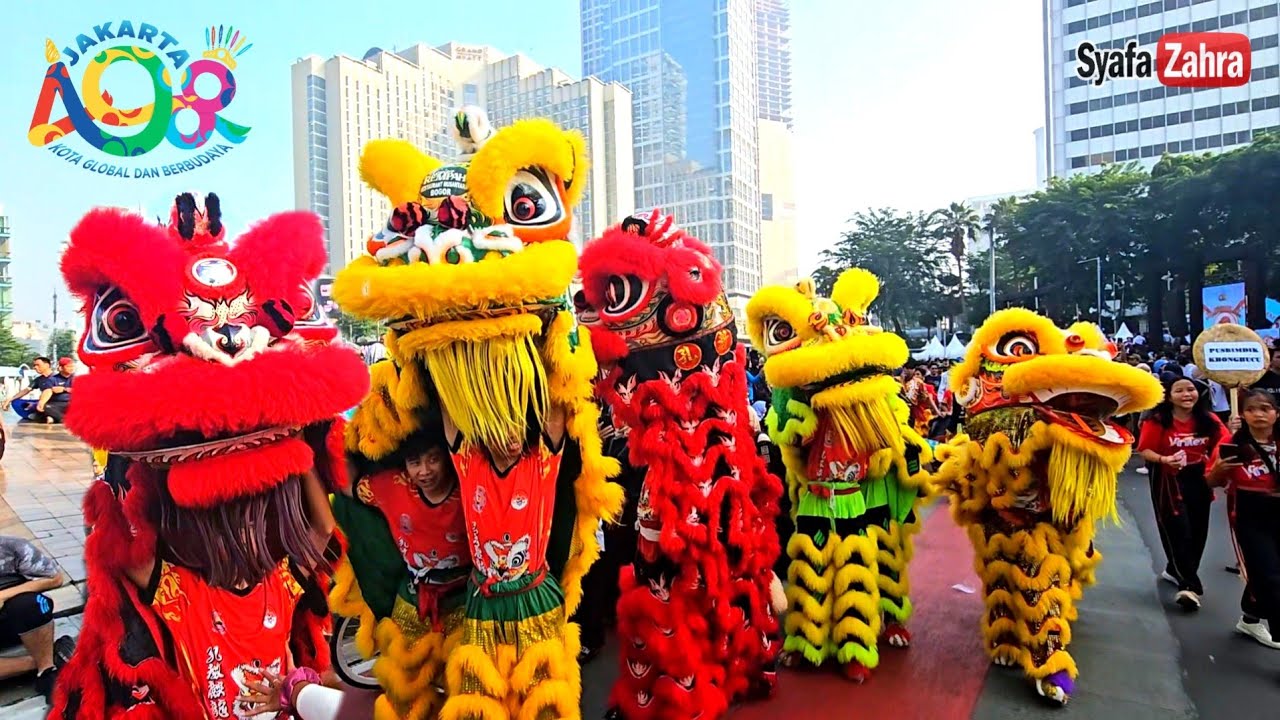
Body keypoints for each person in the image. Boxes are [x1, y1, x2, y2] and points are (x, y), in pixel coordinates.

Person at [341, 431, 470, 642]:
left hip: (465, 599)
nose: (424, 471)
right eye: (415, 462)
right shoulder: (393, 486)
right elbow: (350, 487)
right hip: (414, 599)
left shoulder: (468, 485)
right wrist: (335, 438)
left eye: (433, 459)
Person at [1138, 376, 1230, 610]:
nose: (1187, 394)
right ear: (1168, 396)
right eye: (1179, 391)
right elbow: (1145, 450)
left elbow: (1225, 443)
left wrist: (1236, 432)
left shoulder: (1208, 419)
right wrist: (1164, 459)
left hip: (1199, 477)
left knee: (1198, 530)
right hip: (1166, 478)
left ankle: (1174, 570)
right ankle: (1189, 586)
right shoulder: (1158, 420)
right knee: (1177, 528)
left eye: (1190, 389)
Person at [1207, 389, 1280, 649]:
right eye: (1252, 409)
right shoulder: (1233, 444)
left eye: (1265, 408)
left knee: (1267, 575)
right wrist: (1218, 470)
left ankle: (1250, 617)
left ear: (1276, 413)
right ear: (1243, 414)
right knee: (1270, 576)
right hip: (1250, 514)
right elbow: (1212, 482)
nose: (1259, 414)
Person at [0, 535, 74, 703]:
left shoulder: (12, 547)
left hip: (16, 623)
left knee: (32, 605)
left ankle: (46, 670)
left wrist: (3, 595)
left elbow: (54, 578)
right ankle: (42, 661)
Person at [2, 357, 70, 424]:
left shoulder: (59, 377)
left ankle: (51, 417)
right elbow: (27, 390)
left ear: (47, 365)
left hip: (58, 403)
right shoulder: (39, 379)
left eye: (38, 365)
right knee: (16, 402)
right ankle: (46, 416)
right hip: (43, 403)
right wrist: (10, 399)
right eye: (34, 365)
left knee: (45, 406)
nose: (35, 367)